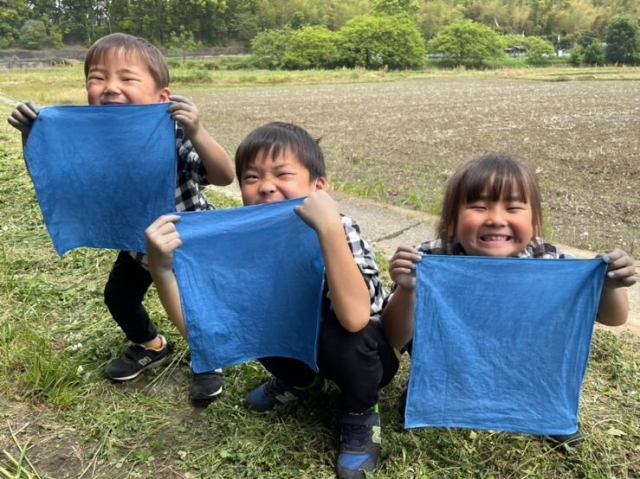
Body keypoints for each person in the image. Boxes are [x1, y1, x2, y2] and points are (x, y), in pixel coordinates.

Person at [145, 121, 399, 479]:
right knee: (255, 319)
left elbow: (356, 317)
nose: (266, 187)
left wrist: (327, 230)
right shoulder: (239, 241)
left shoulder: (340, 225)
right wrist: (161, 270)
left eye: (282, 174)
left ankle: (360, 411)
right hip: (299, 342)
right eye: (251, 178)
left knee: (348, 335)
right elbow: (205, 332)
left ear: (318, 187)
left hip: (366, 355)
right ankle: (302, 381)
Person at [7, 33, 235, 404]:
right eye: (97, 78)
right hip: (136, 243)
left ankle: (208, 362)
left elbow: (224, 176)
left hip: (186, 241)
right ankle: (151, 344)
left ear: (163, 96)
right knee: (118, 297)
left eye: (127, 79)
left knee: (192, 305)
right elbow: (54, 181)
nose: (110, 88)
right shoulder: (89, 140)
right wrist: (33, 134)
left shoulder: (171, 131)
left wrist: (196, 129)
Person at [382, 152, 637, 446]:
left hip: (524, 368)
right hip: (451, 365)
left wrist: (609, 285)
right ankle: (436, 391)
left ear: (535, 221)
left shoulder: (549, 261)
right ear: (451, 220)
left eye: (513, 207)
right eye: (478, 206)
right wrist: (407, 288)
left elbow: (613, 318)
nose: (496, 219)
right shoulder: (430, 258)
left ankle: (546, 410)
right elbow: (394, 336)